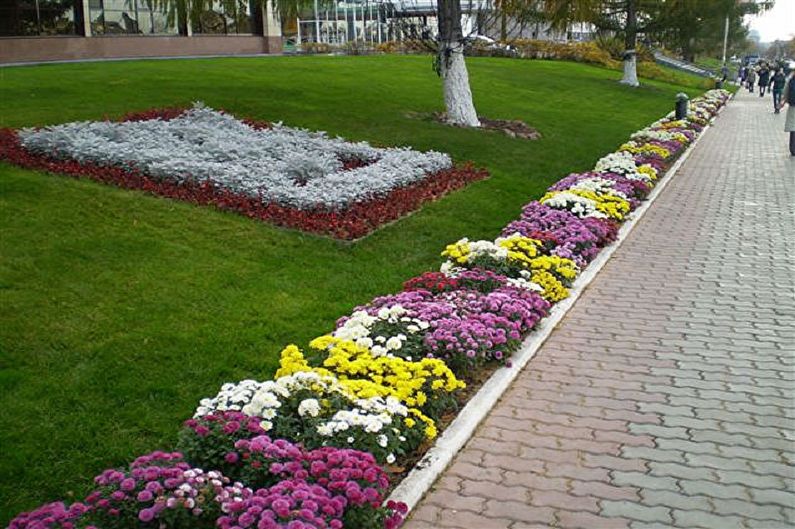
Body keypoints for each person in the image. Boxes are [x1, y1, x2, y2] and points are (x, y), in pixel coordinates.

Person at [784, 72, 795, 156]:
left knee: (793, 127)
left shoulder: (791, 79)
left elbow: (785, 91)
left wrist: (783, 101)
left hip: (792, 106)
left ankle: (792, 148)